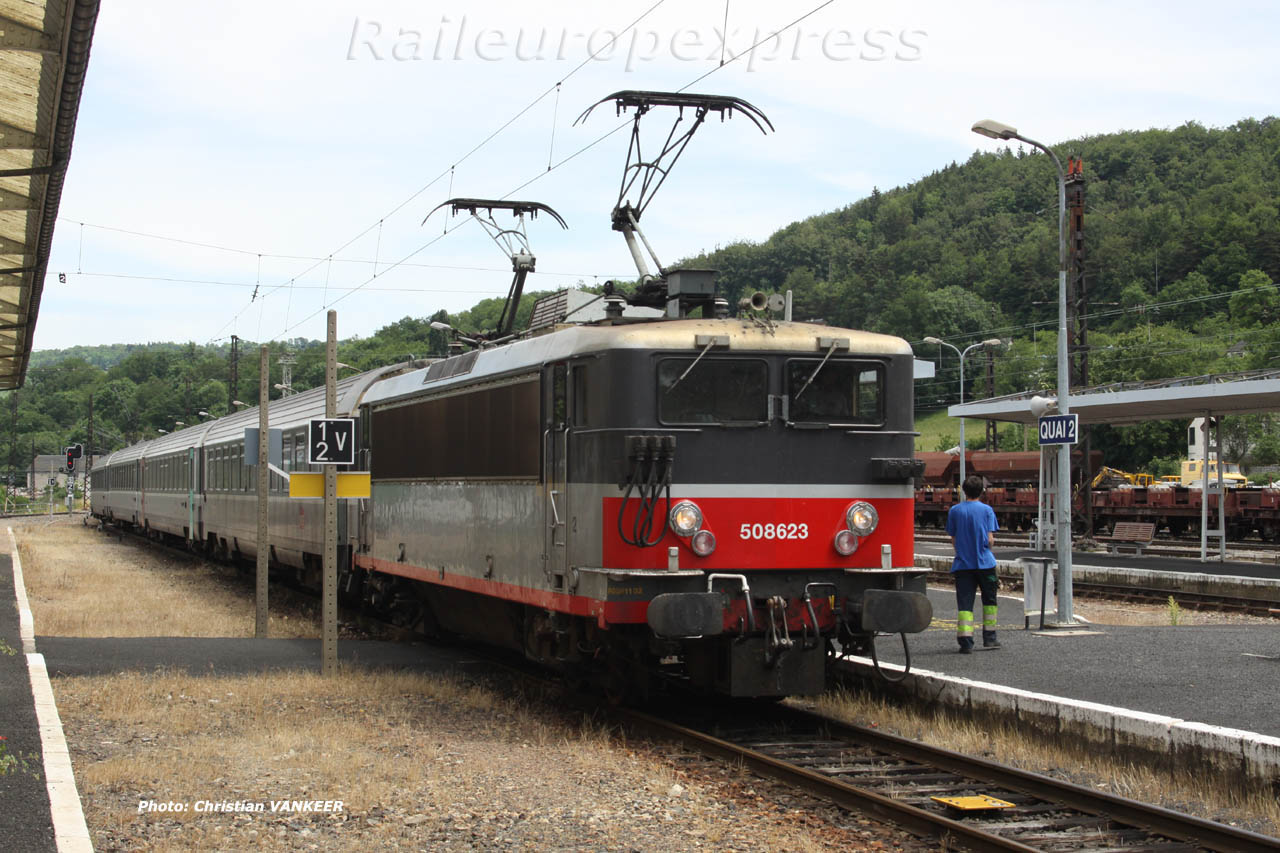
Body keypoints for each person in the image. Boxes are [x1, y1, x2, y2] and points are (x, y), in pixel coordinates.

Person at [946, 475, 1000, 653]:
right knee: (990, 601)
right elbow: (990, 539)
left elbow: (953, 538)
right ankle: (990, 638)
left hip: (963, 565)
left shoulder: (955, 511)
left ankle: (966, 642)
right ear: (981, 492)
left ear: (963, 490)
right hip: (986, 563)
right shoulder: (987, 510)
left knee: (965, 604)